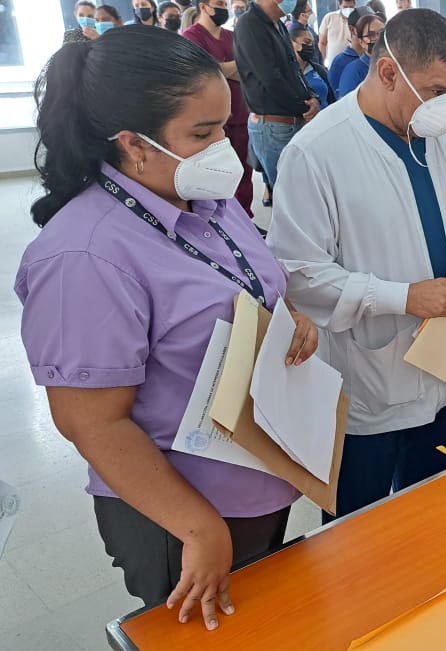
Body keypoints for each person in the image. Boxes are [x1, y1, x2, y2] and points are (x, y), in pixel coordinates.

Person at [18, 26, 318, 629]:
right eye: (203, 135)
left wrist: (289, 319)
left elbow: (239, 284)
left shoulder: (201, 197)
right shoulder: (86, 256)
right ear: (133, 143)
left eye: (222, 127)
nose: (222, 151)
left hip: (258, 473)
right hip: (182, 511)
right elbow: (91, 421)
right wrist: (199, 528)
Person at [268, 9, 446, 520]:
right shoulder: (316, 153)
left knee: (434, 517)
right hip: (370, 385)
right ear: (387, 73)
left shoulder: (438, 132)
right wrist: (403, 297)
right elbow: (298, 273)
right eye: (435, 91)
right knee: (357, 533)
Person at [234, 0, 320, 190]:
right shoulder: (250, 25)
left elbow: (294, 69)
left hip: (292, 120)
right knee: (289, 196)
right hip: (275, 125)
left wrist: (312, 97)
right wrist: (304, 106)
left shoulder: (278, 24)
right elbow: (271, 79)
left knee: (303, 193)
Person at [183, 0, 253, 216]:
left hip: (241, 112)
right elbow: (205, 73)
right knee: (218, 175)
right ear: (203, 6)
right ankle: (222, 219)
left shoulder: (231, 37)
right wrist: (227, 67)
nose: (224, 7)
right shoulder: (192, 36)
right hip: (212, 121)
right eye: (219, 3)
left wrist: (222, 69)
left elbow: (247, 70)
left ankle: (245, 218)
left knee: (243, 171)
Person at [337, 13, 384, 98]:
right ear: (361, 41)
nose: (378, 38)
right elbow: (347, 107)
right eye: (371, 35)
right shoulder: (353, 71)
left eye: (381, 33)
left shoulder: (396, 64)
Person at [291, 27, 335, 109]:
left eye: (313, 43)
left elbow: (331, 99)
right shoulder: (285, 72)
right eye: (307, 42)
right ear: (292, 43)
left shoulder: (319, 70)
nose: (311, 46)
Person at [328, 7, 369, 93]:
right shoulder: (340, 62)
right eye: (366, 26)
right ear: (352, 29)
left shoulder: (374, 58)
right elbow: (334, 97)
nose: (372, 31)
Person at [319, 0, 355, 66]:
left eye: (351, 7)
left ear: (355, 5)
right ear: (339, 5)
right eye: (345, 7)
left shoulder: (359, 19)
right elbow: (322, 43)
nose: (348, 10)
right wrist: (322, 64)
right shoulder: (329, 18)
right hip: (333, 64)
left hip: (354, 63)